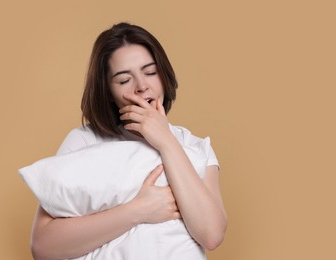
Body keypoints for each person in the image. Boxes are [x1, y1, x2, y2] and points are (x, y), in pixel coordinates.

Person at [30, 22, 227, 260]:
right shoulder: (84, 141)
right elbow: (43, 248)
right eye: (124, 80)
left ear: (163, 76)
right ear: (109, 93)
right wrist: (139, 210)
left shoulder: (195, 146)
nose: (142, 86)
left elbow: (212, 234)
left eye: (151, 72)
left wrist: (166, 141)